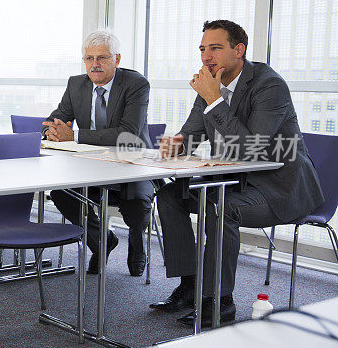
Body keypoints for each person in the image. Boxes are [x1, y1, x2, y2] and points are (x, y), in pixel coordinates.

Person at [151, 19, 323, 326]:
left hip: (278, 188)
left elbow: (250, 150)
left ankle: (219, 301)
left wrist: (214, 99)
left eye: (215, 48)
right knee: (168, 195)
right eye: (203, 49)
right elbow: (190, 135)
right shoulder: (209, 84)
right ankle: (191, 285)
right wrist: (176, 145)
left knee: (218, 207)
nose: (206, 56)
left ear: (238, 50)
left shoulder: (269, 85)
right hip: (235, 181)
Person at [42, 29, 154, 276]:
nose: (95, 64)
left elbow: (128, 134)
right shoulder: (76, 84)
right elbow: (57, 117)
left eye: (102, 58)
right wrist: (52, 130)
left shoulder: (136, 84)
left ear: (117, 59)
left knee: (137, 201)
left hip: (132, 164)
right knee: (62, 194)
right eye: (89, 58)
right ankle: (102, 241)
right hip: (89, 166)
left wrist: (75, 136)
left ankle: (137, 245)